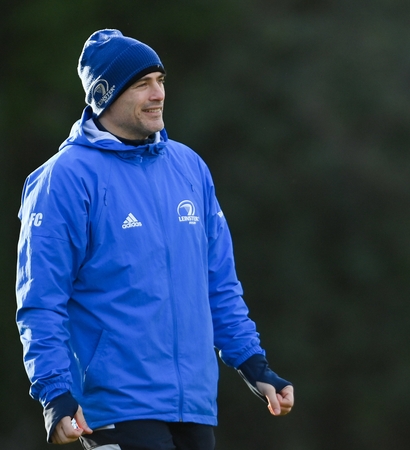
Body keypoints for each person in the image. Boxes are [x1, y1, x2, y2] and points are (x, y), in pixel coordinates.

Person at [16, 29, 294, 449]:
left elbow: (218, 285)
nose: (158, 94)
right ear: (106, 96)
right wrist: (54, 393)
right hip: (114, 410)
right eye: (142, 84)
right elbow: (41, 301)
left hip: (194, 406)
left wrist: (254, 364)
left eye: (160, 80)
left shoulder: (190, 167)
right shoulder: (64, 178)